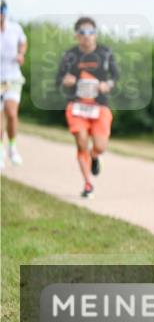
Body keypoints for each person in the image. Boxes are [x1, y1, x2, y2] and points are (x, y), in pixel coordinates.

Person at [56, 17, 119, 197]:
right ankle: (87, 184)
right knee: (81, 142)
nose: (87, 36)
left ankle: (95, 156)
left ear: (95, 34)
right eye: (83, 33)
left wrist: (108, 84)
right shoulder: (70, 56)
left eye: (91, 32)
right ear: (77, 36)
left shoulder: (105, 53)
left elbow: (115, 76)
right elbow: (59, 78)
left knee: (100, 146)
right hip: (77, 107)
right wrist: (66, 80)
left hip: (99, 107)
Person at [0, 0, 28, 169]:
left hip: (13, 77)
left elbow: (23, 42)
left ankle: (12, 147)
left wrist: (21, 53)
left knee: (11, 112)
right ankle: (0, 150)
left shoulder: (15, 28)